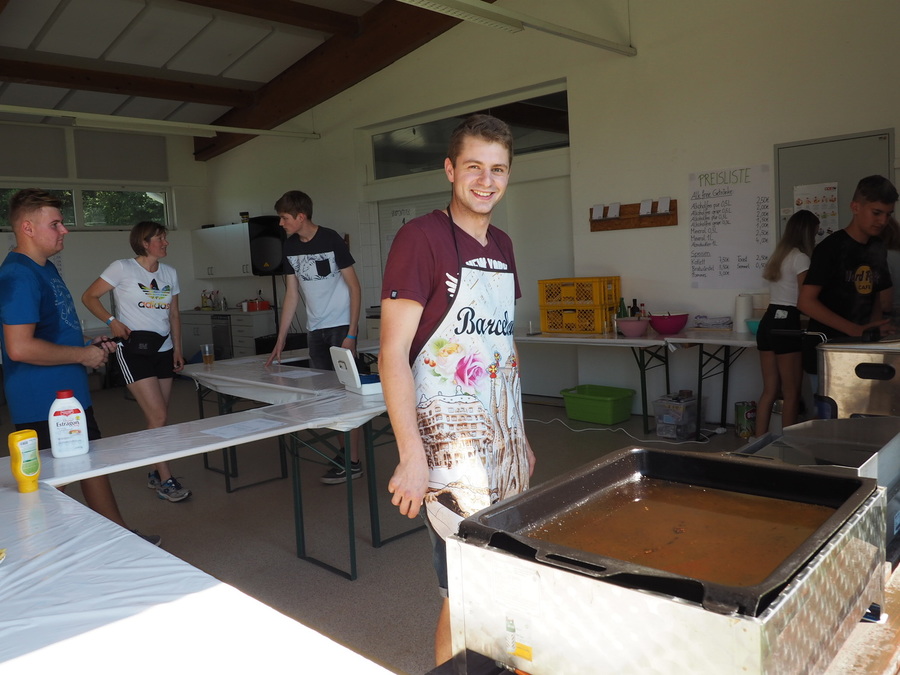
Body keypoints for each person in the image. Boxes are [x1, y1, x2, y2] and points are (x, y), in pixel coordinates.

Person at [378, 114, 536, 665]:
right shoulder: (419, 238)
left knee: (505, 572)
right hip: (450, 448)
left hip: (502, 443)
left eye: (498, 169)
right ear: (450, 170)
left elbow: (500, 348)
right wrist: (411, 455)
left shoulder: (504, 244)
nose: (486, 181)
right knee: (463, 592)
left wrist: (519, 436)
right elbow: (392, 354)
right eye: (474, 167)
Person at [0, 188, 159, 544]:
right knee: (48, 486)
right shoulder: (18, 276)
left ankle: (120, 539)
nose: (64, 230)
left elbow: (51, 331)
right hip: (42, 401)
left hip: (67, 395)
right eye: (55, 224)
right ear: (28, 228)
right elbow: (19, 347)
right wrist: (81, 356)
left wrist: (86, 346)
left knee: (90, 465)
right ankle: (37, 553)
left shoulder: (45, 268)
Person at [82, 221, 191, 502]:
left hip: (163, 349)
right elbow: (89, 297)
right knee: (158, 416)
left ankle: (155, 469)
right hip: (133, 351)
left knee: (159, 417)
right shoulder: (122, 267)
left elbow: (174, 315)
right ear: (144, 242)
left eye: (165, 238)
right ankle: (165, 479)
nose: (166, 243)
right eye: (160, 238)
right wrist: (111, 321)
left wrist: (178, 349)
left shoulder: (170, 272)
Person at [264, 190, 363, 484]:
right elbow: (292, 295)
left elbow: (355, 288)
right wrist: (281, 339)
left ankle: (353, 461)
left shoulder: (331, 239)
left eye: (284, 217)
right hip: (315, 330)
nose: (281, 223)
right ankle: (345, 454)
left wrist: (352, 333)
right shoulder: (290, 246)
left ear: (300, 216)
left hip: (341, 326)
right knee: (328, 396)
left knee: (347, 395)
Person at [798, 175, 896, 381]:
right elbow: (806, 302)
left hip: (860, 351)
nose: (883, 221)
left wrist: (875, 332)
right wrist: (854, 330)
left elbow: (875, 297)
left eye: (888, 214)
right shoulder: (830, 248)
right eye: (876, 213)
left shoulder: (877, 247)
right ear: (855, 207)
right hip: (828, 351)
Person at [753, 210, 819, 436]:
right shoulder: (801, 258)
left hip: (768, 321)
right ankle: (788, 446)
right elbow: (805, 299)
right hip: (786, 325)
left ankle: (758, 443)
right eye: (815, 232)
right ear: (808, 233)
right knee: (791, 392)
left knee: (769, 391)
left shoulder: (779, 256)